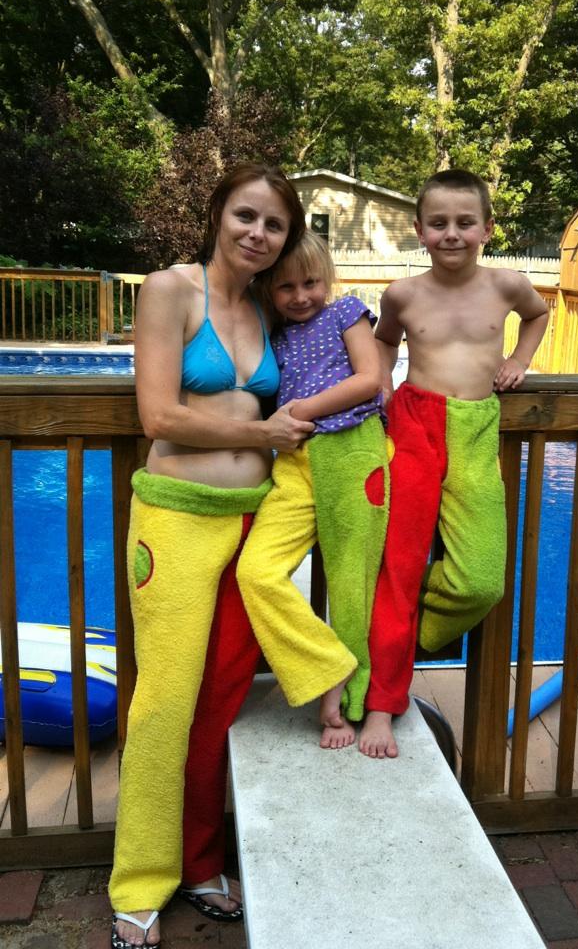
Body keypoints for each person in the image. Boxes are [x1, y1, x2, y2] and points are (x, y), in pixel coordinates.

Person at [110, 163, 319, 949]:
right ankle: (139, 884)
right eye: (246, 216)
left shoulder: (269, 306)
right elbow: (159, 415)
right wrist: (260, 433)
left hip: (253, 524)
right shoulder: (170, 290)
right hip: (175, 521)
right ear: (217, 215)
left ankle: (200, 863)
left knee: (220, 700)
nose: (258, 234)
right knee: (164, 702)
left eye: (274, 225)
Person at [358, 168, 550, 759]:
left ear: (487, 229)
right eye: (438, 223)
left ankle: (411, 631)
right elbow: (385, 339)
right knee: (398, 565)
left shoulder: (507, 285)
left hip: (474, 429)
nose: (451, 233)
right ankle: (381, 705)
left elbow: (539, 315)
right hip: (413, 424)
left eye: (465, 222)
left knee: (481, 579)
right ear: (419, 230)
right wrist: (383, 383)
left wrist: (519, 358)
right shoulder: (403, 294)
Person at [236, 231, 389, 749]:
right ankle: (329, 665)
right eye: (286, 287)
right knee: (257, 572)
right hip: (295, 463)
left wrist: (298, 411)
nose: (301, 296)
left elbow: (369, 379)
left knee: (351, 585)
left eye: (310, 283)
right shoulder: (274, 336)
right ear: (269, 291)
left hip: (352, 451)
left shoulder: (346, 312)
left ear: (327, 279)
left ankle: (347, 704)